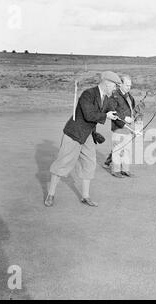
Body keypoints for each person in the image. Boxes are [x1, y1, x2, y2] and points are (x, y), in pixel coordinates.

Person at [44, 71, 121, 207]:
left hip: (88, 135)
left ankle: (85, 197)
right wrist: (106, 116)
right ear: (107, 83)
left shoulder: (107, 99)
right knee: (63, 163)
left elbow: (115, 114)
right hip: (74, 133)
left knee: (89, 164)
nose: (115, 89)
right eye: (115, 86)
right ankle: (51, 194)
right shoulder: (88, 94)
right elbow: (89, 115)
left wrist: (127, 122)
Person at [105, 74, 139, 178]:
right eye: (127, 85)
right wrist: (124, 119)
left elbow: (132, 110)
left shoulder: (130, 96)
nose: (129, 87)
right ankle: (116, 171)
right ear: (120, 84)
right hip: (118, 128)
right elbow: (113, 112)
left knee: (127, 150)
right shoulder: (114, 96)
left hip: (128, 129)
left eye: (130, 85)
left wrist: (135, 116)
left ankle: (125, 170)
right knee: (117, 150)